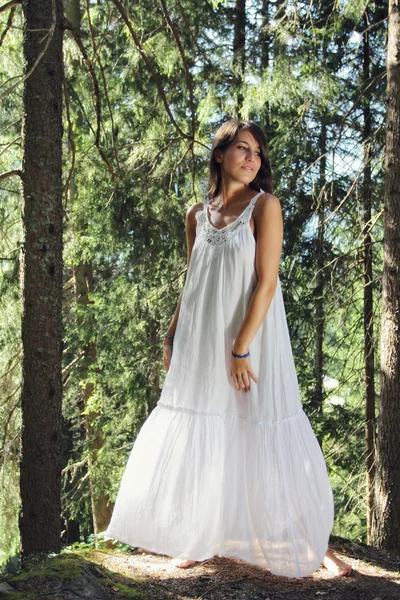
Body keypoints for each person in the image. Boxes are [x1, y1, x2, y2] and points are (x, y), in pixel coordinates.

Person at [105, 119, 352, 578]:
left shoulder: (265, 206)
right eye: (243, 148)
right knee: (206, 423)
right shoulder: (196, 215)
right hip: (201, 337)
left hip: (251, 339)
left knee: (265, 422)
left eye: (258, 152)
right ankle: (198, 535)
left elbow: (267, 282)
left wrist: (241, 349)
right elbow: (192, 281)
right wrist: (173, 333)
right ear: (220, 155)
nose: (252, 158)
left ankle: (315, 545)